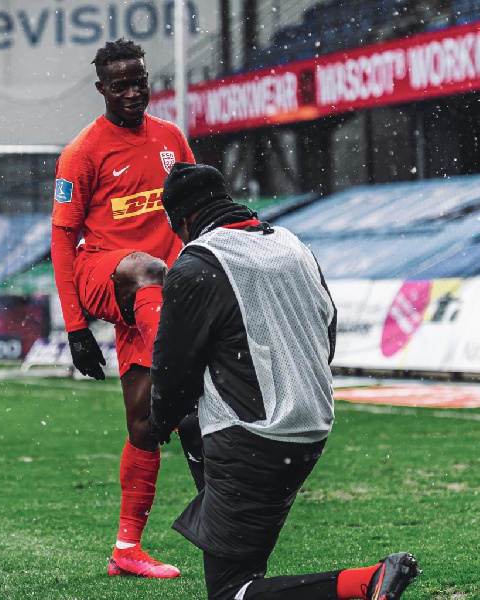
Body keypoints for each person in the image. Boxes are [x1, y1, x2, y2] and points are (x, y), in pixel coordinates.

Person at [149, 162, 422, 600]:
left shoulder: (196, 263)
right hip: (310, 427)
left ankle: (367, 580)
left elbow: (173, 371)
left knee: (231, 592)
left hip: (254, 436)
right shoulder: (293, 244)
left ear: (181, 221)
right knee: (242, 559)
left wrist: (156, 422)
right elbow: (326, 330)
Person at [51, 38, 194, 579]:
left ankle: (127, 549)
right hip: (105, 274)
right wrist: (76, 328)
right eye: (121, 85)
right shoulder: (83, 151)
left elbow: (193, 208)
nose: (134, 92)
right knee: (144, 268)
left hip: (157, 295)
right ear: (101, 89)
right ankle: (184, 369)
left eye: (140, 81)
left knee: (149, 424)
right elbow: (63, 242)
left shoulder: (171, 139)